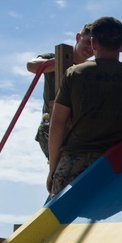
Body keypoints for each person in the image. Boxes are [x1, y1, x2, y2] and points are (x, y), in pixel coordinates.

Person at [47, 16, 122, 199]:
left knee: (61, 224)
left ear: (94, 43)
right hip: (115, 165)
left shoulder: (74, 74)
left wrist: (53, 169)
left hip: (73, 164)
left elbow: (57, 123)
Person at [26, 23, 94, 160]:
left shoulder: (91, 71)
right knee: (61, 166)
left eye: (93, 45)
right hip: (51, 125)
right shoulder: (55, 57)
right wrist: (62, 62)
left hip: (76, 129)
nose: (89, 49)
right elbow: (32, 65)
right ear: (78, 37)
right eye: (87, 42)